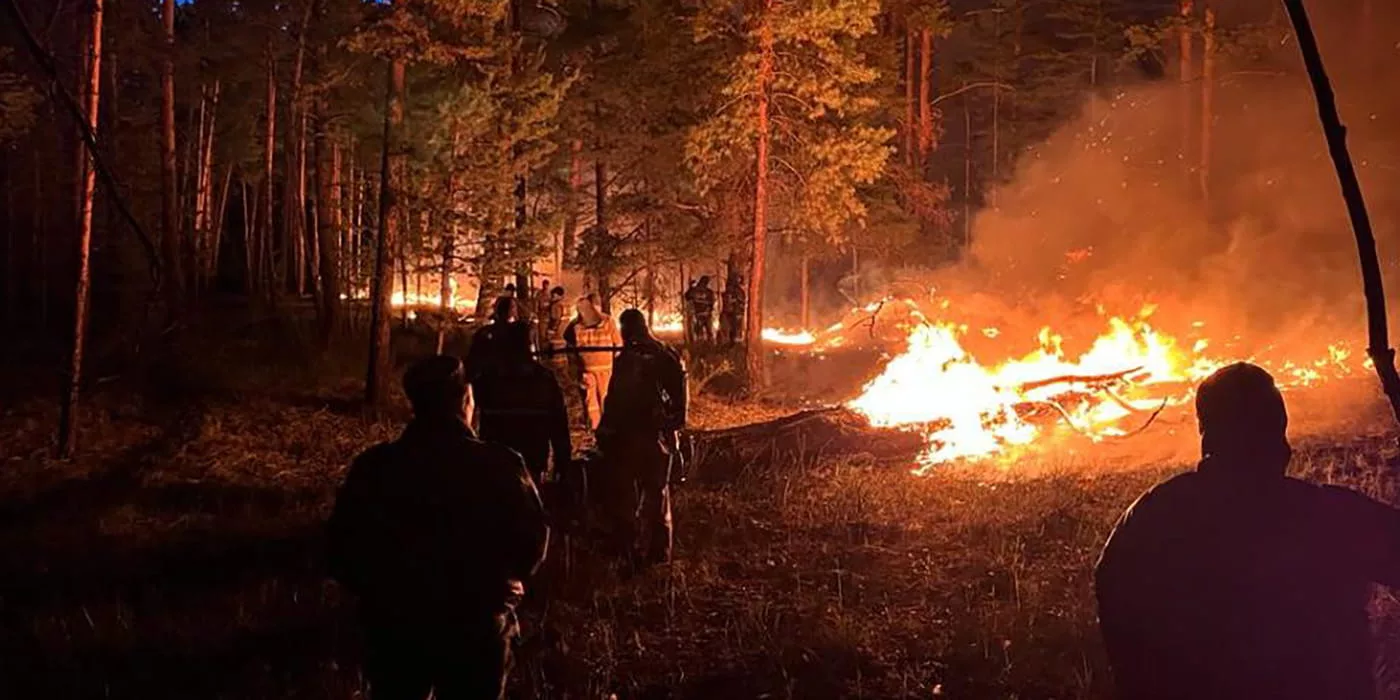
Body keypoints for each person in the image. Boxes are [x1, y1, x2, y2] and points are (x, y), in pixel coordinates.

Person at [1095, 362, 1400, 700]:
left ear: (1206, 434)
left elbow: (1113, 599)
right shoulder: (1328, 516)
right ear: (1277, 438)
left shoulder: (1151, 516)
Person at [327, 355, 548, 700]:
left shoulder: (375, 467)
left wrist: (382, 594)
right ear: (466, 400)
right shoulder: (500, 464)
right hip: (475, 625)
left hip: (395, 629)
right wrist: (505, 584)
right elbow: (532, 539)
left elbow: (341, 548)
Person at [596, 309, 687, 568]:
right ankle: (638, 550)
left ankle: (651, 552)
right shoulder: (637, 358)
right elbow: (613, 400)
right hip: (636, 438)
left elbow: (679, 405)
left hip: (649, 438)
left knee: (649, 495)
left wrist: (665, 425)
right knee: (645, 495)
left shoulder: (657, 358)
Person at [473, 323, 572, 485]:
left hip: (498, 457)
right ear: (530, 345)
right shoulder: (543, 378)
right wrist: (563, 462)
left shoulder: (490, 379)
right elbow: (558, 423)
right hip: (531, 456)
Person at [563, 293, 620, 431]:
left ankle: (594, 429)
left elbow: (570, 347)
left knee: (591, 402)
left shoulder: (576, 326)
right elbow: (618, 345)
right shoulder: (608, 322)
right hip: (607, 369)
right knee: (605, 399)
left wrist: (574, 370)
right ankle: (608, 428)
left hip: (587, 370)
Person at [684, 276, 716, 345]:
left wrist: (709, 310)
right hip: (698, 314)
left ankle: (709, 344)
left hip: (706, 314)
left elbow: (712, 303)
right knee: (699, 330)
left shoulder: (709, 292)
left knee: (708, 330)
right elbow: (687, 297)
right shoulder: (694, 290)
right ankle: (700, 344)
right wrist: (690, 287)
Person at [721, 274, 746, 346]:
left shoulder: (737, 291)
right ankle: (730, 343)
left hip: (734, 312)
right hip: (732, 313)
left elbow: (741, 302)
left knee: (734, 329)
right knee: (731, 329)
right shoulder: (736, 291)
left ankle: (733, 343)